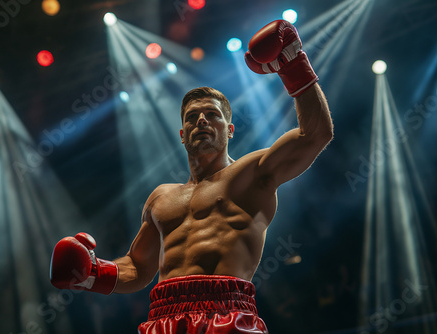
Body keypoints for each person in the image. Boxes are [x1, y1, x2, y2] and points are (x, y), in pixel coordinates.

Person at [50, 19, 333, 333]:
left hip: (227, 312)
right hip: (162, 317)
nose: (202, 121)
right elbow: (138, 267)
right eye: (193, 117)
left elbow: (314, 135)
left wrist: (292, 62)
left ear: (230, 129)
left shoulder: (251, 174)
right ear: (182, 135)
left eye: (212, 114)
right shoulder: (160, 197)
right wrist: (93, 273)